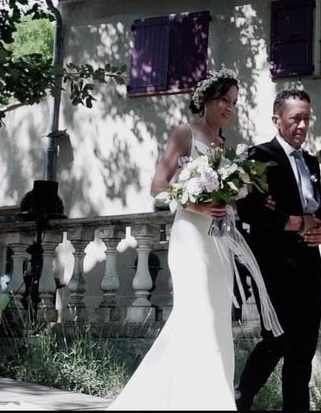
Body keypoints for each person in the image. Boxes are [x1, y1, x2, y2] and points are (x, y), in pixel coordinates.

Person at [109, 68, 279, 410]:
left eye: (234, 102)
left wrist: (251, 197)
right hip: (190, 238)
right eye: (224, 100)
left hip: (219, 242)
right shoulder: (185, 133)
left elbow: (230, 197)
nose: (230, 107)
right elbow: (158, 187)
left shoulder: (225, 147)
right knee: (198, 312)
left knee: (214, 319)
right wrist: (198, 205)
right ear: (207, 100)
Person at [234, 89, 321, 411]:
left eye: (306, 118)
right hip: (274, 265)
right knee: (278, 339)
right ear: (277, 120)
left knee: (304, 348)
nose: (302, 125)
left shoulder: (312, 163)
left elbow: (320, 212)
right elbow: (250, 211)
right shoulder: (258, 157)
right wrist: (296, 223)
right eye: (295, 119)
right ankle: (241, 398)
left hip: (309, 265)